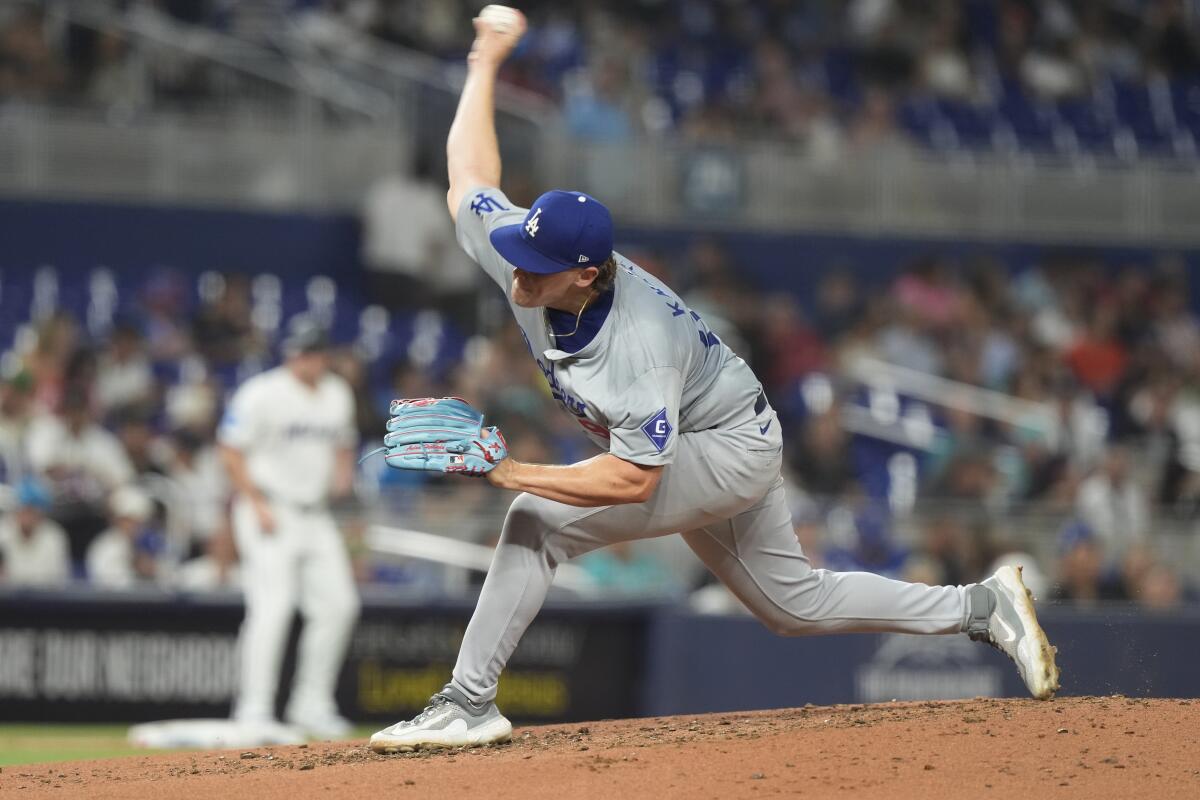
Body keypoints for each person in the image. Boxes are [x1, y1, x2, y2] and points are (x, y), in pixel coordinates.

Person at [368, 8, 1060, 754]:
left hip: (725, 447)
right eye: (520, 259)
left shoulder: (637, 346)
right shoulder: (524, 252)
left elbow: (635, 481)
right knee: (791, 604)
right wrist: (484, 64)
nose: (519, 277)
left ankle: (469, 702)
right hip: (723, 427)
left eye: (539, 272)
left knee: (535, 520)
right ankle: (982, 605)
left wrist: (515, 472)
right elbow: (468, 176)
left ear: (586, 273)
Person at [217, 320, 360, 740]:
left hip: (315, 514)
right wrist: (256, 503)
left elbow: (344, 444)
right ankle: (254, 710)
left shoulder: (337, 393)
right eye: (297, 352)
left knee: (339, 605)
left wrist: (341, 475)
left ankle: (310, 706)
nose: (303, 359)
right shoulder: (262, 392)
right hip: (268, 507)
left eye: (310, 352)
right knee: (273, 607)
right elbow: (229, 450)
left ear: (323, 355)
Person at [0, 477, 70, 587]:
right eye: (23, 509)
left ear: (42, 513)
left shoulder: (54, 536)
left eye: (33, 510)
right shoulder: (2, 531)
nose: (27, 516)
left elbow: (58, 582)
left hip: (45, 600)